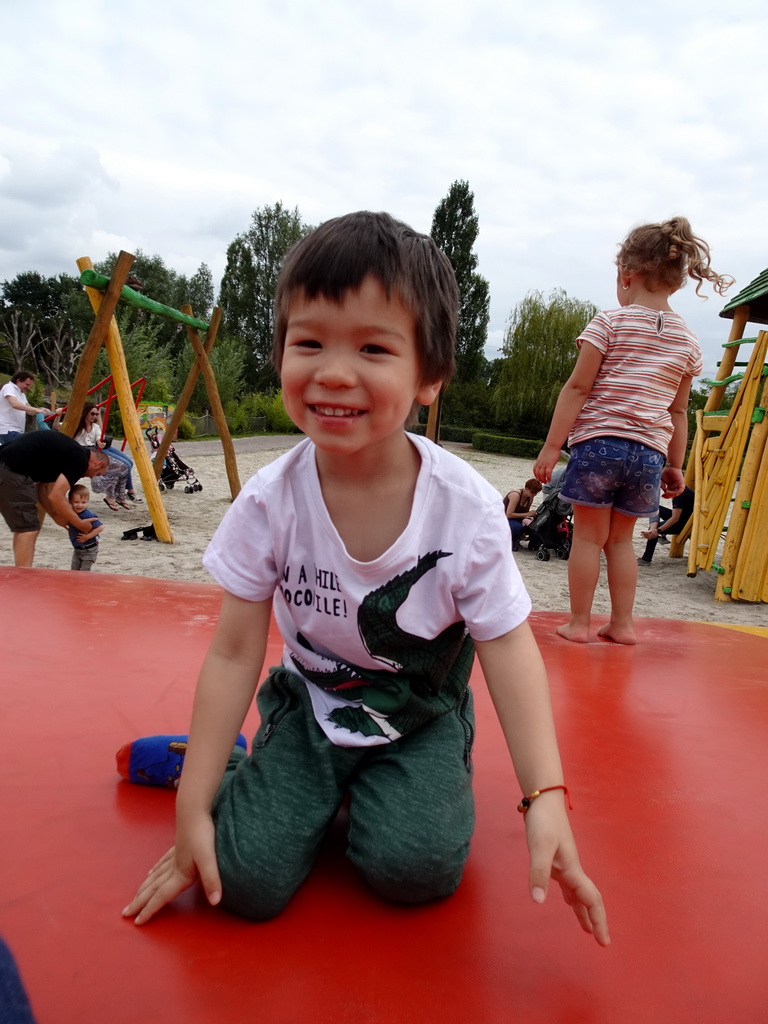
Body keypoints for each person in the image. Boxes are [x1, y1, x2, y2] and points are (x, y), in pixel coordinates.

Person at [122, 211, 609, 947]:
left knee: (413, 871)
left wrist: (545, 797)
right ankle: (227, 761)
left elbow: (509, 651)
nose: (334, 371)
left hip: (417, 716)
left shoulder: (465, 508)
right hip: (315, 703)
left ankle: (394, 779)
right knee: (241, 882)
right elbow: (232, 652)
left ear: (430, 377)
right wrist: (195, 807)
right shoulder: (270, 500)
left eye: (374, 348)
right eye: (308, 342)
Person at [534, 217, 732, 645]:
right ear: (677, 284)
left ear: (626, 275)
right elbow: (679, 411)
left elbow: (578, 388)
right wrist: (676, 464)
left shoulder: (609, 323)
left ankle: (580, 624)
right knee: (621, 543)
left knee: (588, 537)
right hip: (649, 454)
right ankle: (622, 625)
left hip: (599, 443)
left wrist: (552, 447)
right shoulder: (690, 342)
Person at [0, 430, 109, 567]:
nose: (92, 477)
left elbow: (43, 489)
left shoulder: (66, 455)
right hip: (12, 471)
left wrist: (57, 517)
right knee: (28, 529)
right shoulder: (80, 460)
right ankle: (23, 577)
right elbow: (57, 495)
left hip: (7, 467)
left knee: (24, 528)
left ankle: (20, 572)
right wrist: (79, 523)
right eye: (97, 473)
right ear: (98, 463)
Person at [74, 403, 134, 510]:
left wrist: (100, 443)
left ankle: (119, 496)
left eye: (96, 414)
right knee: (115, 467)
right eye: (92, 414)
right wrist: (58, 415)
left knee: (124, 466)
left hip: (93, 451)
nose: (94, 416)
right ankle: (112, 495)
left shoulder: (95, 426)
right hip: (80, 452)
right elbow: (58, 427)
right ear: (85, 413)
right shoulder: (76, 425)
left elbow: (98, 437)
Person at [638, 485, 694, 565]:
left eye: (663, 485)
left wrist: (658, 530)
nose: (662, 487)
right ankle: (653, 530)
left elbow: (675, 518)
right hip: (686, 518)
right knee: (655, 508)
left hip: (685, 525)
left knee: (656, 528)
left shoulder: (679, 495)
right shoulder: (683, 489)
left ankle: (646, 558)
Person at [0, 371, 50, 445]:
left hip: (17, 431)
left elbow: (29, 410)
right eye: (27, 384)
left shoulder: (22, 394)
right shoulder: (9, 387)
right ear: (18, 380)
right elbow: (14, 404)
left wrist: (42, 410)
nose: (29, 388)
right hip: (7, 430)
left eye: (30, 385)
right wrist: (37, 409)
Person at [67, 483, 103, 571]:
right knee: (74, 571)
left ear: (87, 501)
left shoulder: (87, 514)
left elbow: (100, 527)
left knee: (84, 573)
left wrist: (88, 536)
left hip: (89, 549)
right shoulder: (71, 513)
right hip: (77, 549)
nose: (80, 505)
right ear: (70, 501)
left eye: (83, 502)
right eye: (76, 502)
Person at [503, 477, 542, 550]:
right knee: (517, 527)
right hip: (504, 519)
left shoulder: (530, 497)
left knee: (535, 524)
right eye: (532, 492)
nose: (534, 494)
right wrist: (528, 514)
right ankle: (510, 538)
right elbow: (509, 514)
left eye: (536, 493)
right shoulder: (515, 495)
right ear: (526, 488)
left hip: (516, 518)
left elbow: (525, 513)